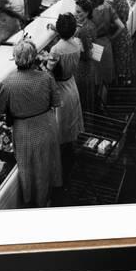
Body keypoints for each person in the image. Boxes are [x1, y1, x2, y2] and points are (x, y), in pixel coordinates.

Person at [0, 40, 62, 208]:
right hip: (46, 126)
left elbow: (1, 109)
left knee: (28, 168)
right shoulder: (46, 77)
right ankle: (46, 199)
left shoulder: (8, 83)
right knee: (46, 164)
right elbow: (56, 102)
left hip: (24, 131)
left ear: (15, 58)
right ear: (34, 58)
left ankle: (31, 200)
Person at [46, 13, 83, 186]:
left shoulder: (56, 50)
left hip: (60, 89)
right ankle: (72, 157)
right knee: (71, 122)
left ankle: (60, 170)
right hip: (71, 85)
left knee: (60, 127)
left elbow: (49, 69)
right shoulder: (77, 44)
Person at [83, 0, 125, 86]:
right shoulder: (108, 7)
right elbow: (121, 26)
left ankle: (99, 99)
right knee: (107, 76)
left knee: (96, 78)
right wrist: (111, 38)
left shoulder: (89, 12)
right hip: (106, 43)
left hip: (94, 45)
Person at [103, 0, 135, 84]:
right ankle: (125, 79)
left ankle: (125, 82)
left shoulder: (121, 4)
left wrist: (112, 37)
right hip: (122, 36)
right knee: (124, 60)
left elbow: (119, 25)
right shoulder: (119, 0)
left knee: (121, 61)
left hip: (120, 37)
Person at [74, 0, 97, 112]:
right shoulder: (89, 24)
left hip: (83, 68)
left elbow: (87, 54)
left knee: (83, 98)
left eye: (79, 12)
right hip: (88, 67)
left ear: (87, 12)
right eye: (75, 11)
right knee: (87, 97)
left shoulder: (85, 30)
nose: (75, 14)